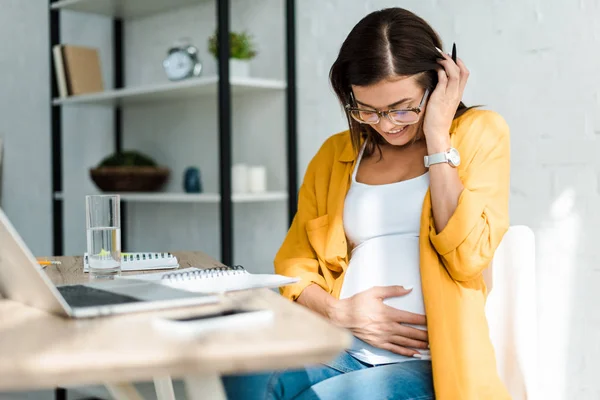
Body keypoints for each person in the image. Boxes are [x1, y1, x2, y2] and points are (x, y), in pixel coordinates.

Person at [223, 7, 511, 400]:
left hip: (429, 363)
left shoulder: (479, 133)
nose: (387, 124)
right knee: (238, 376)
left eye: (403, 106)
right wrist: (341, 313)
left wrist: (438, 137)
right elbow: (294, 264)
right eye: (369, 110)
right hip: (338, 342)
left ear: (439, 82)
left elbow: (468, 258)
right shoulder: (336, 154)